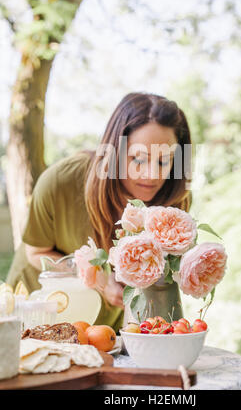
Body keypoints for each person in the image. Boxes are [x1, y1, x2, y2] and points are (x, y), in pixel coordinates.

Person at [6, 92, 193, 332]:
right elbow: (37, 252)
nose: (151, 175)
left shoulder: (175, 201)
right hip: (35, 319)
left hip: (105, 331)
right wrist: (99, 281)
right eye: (138, 159)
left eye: (163, 161)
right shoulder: (61, 181)